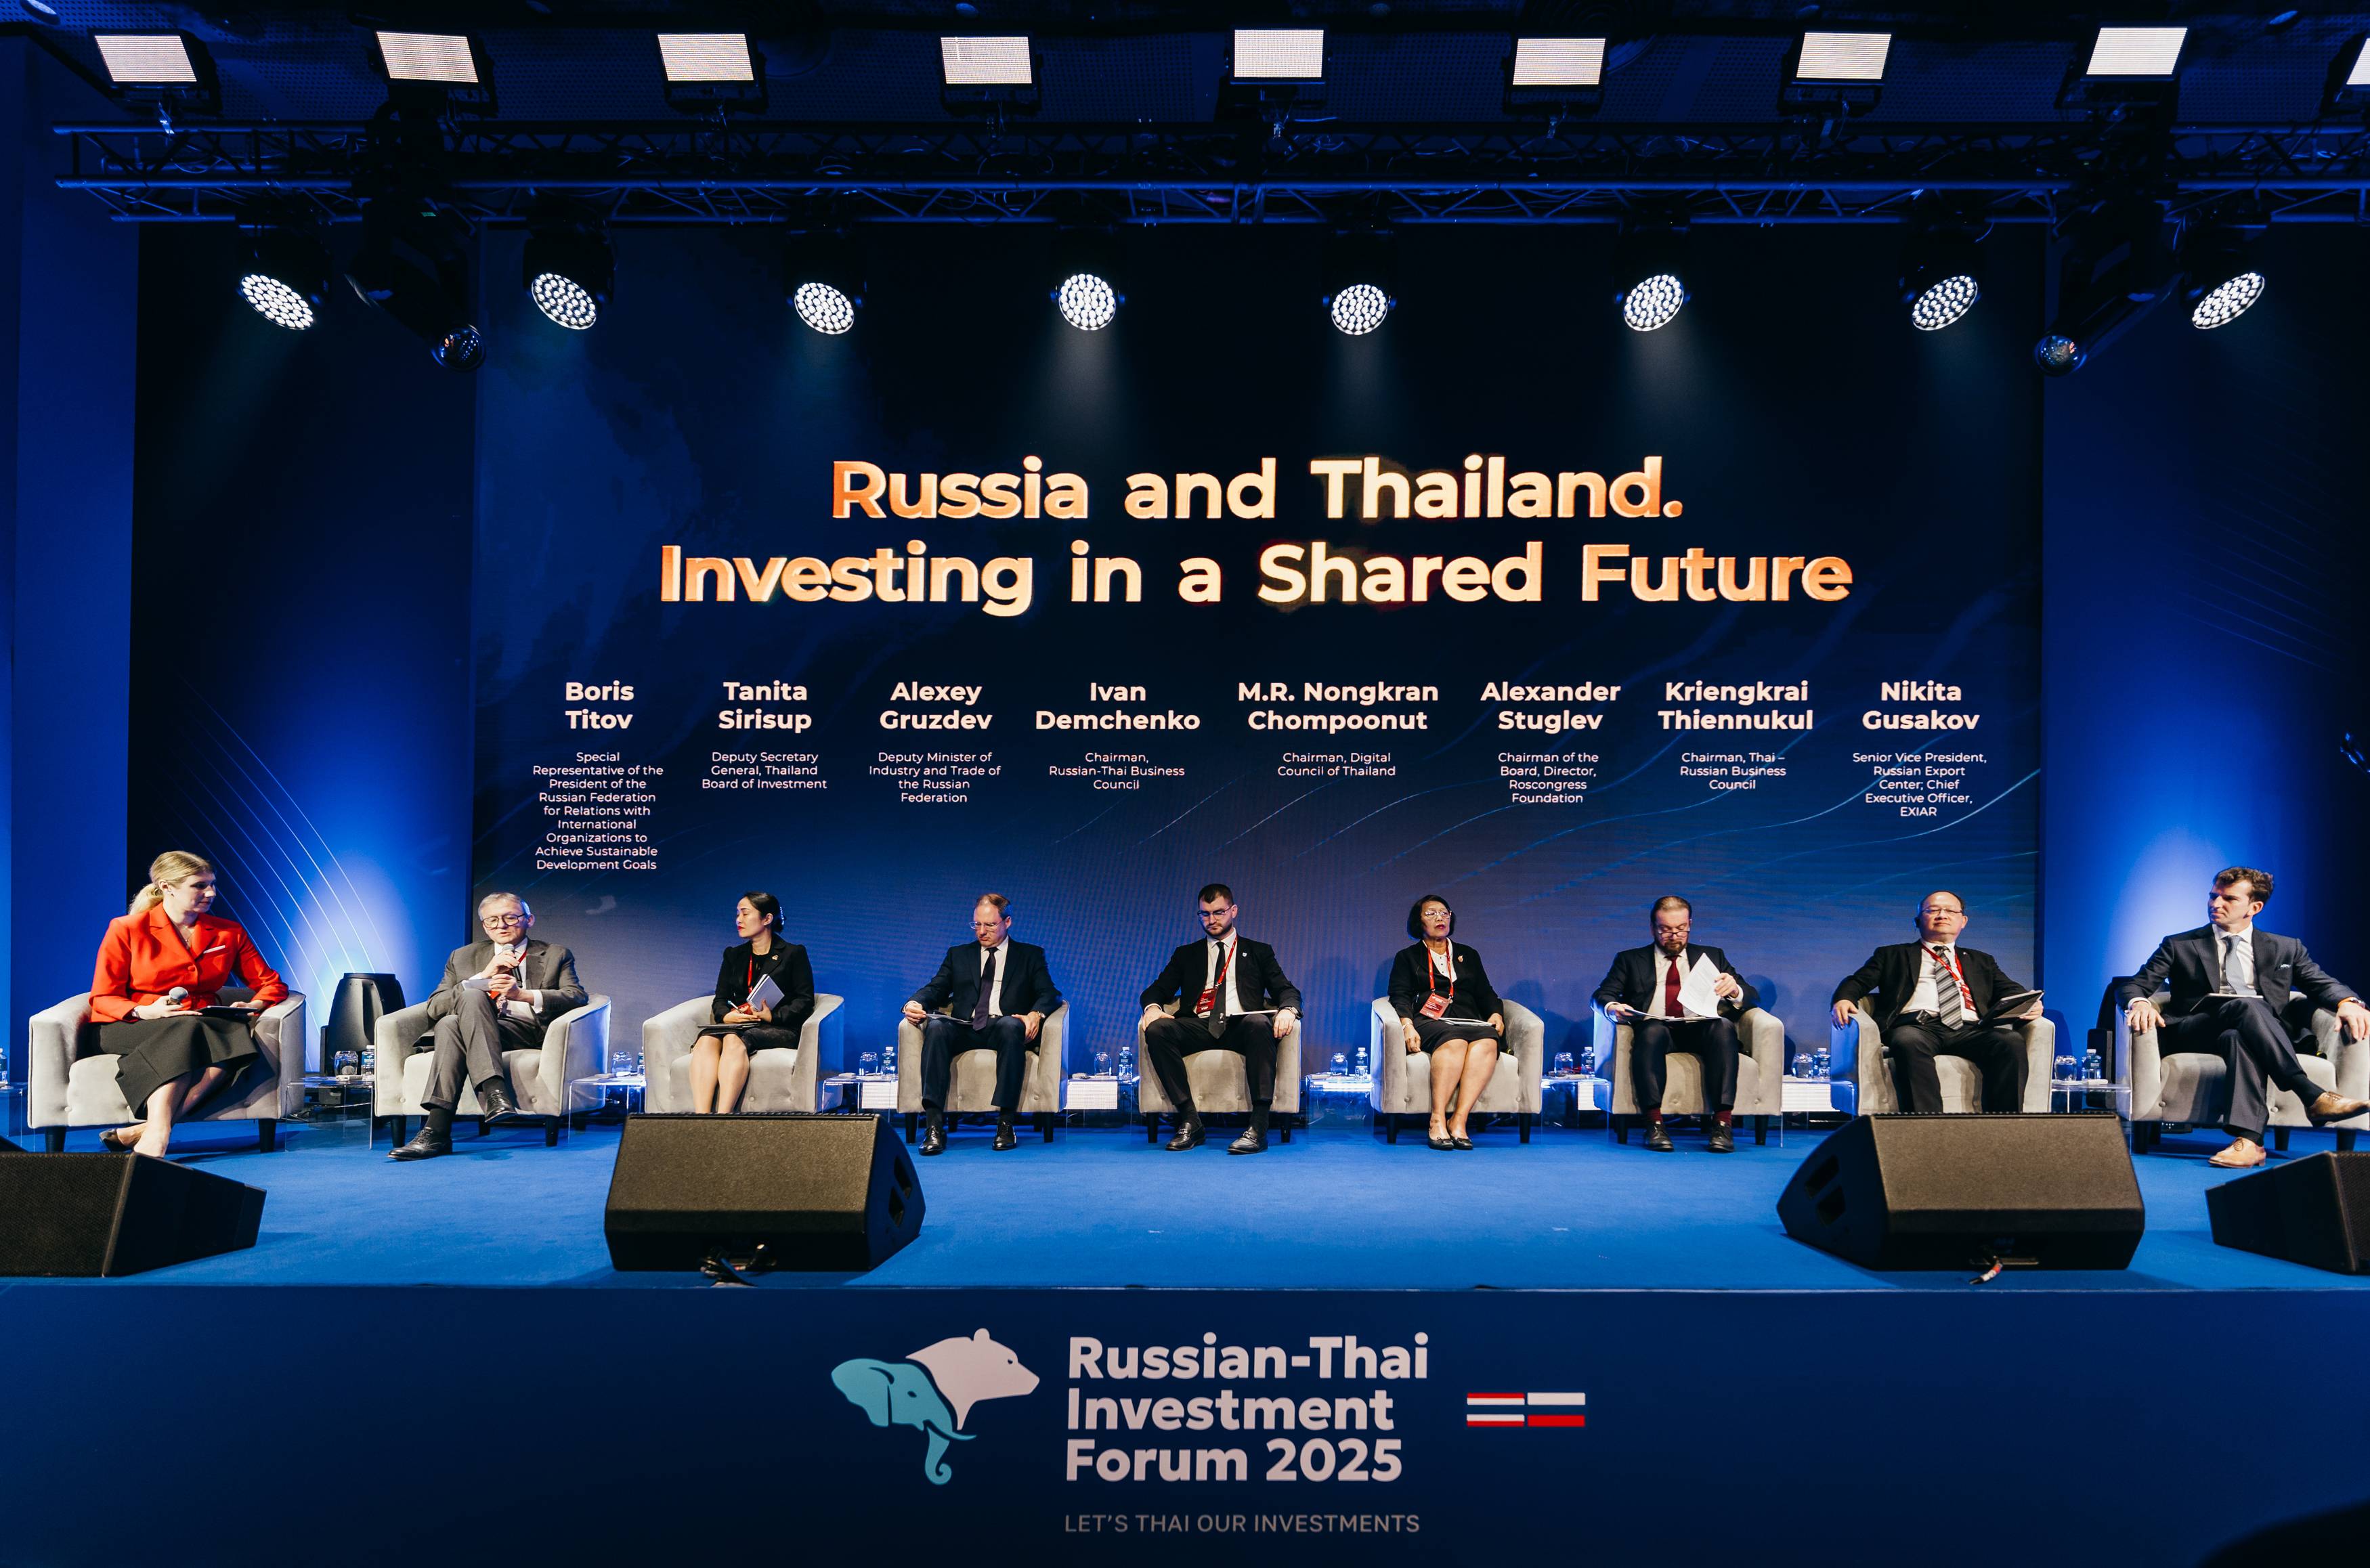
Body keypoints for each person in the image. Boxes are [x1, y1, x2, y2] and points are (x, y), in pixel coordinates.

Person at [2118, 866, 2370, 1169]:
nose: (2216, 904)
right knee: (2246, 1006)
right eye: (2213, 896)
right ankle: (2311, 1094)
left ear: (2255, 907)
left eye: (2229, 899)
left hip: (2258, 1033)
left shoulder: (2286, 948)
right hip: (2198, 1029)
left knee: (2239, 1036)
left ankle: (2248, 1142)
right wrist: (2140, 1001)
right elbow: (2133, 985)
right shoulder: (2179, 944)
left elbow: (2320, 983)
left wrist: (2348, 1002)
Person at [87, 851, 288, 1158]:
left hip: (198, 1023)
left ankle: (152, 1130)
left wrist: (256, 1004)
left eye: (212, 884)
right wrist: (146, 1010)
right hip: (132, 1023)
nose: (211, 893)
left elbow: (272, 983)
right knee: (199, 1034)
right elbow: (103, 996)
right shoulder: (127, 928)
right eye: (199, 886)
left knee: (227, 1036)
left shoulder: (228, 932)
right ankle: (157, 1132)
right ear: (166, 887)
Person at [389, 892, 588, 1161]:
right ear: (484, 926)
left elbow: (576, 996)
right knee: (452, 1018)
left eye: (510, 918)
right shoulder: (463, 956)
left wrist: (523, 995)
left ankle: (436, 1131)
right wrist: (483, 976)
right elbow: (435, 1006)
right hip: (472, 1027)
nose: (501, 925)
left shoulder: (555, 954)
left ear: (529, 920)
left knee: (451, 1024)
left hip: (524, 1031)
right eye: (492, 920)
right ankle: (494, 1094)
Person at [1830, 890, 2042, 1114]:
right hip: (1917, 1027)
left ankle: (2006, 1123)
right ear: (1918, 921)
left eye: (1950, 911)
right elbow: (1857, 982)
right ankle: (1928, 1124)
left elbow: (2009, 988)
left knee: (2009, 1041)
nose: (1942, 915)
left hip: (1970, 1030)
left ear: (1963, 921)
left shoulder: (1981, 960)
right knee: (1908, 1041)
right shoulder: (1892, 955)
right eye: (1933, 910)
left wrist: (2029, 1003)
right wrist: (1844, 998)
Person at [1138, 884, 1302, 1154]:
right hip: (1199, 1025)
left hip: (1240, 1025)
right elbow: (1156, 990)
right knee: (1157, 1030)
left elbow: (1286, 990)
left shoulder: (1259, 951)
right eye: (1205, 914)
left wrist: (1288, 1010)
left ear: (1233, 911)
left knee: (1259, 1023)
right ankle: (1190, 1121)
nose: (1211, 920)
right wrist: (1153, 1008)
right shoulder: (1186, 954)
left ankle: (1258, 1126)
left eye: (1219, 912)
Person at [1591, 894, 1757, 1153]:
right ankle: (1654, 1124)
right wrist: (1612, 1007)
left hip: (1700, 1028)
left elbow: (1752, 995)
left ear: (1690, 924)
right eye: (1666, 930)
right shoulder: (1630, 960)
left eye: (1681, 929)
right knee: (1651, 1031)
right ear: (1653, 928)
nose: (1674, 936)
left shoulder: (1712, 956)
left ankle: (1723, 1125)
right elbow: (1601, 995)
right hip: (1658, 1029)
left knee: (1723, 1027)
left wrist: (1735, 990)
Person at [901, 894, 1062, 1155]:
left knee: (1011, 1026)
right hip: (965, 1025)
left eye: (989, 925)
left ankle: (1006, 1123)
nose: (981, 931)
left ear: (1007, 922)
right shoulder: (959, 955)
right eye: (977, 924)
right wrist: (914, 1002)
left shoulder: (1029, 955)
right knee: (937, 1028)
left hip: (1002, 1026)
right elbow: (937, 987)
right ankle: (934, 1126)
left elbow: (1050, 993)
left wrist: (1036, 1015)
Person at [1387, 895, 1505, 1150]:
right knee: (1455, 1041)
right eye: (1431, 913)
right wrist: (1407, 1025)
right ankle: (1437, 1119)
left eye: (1444, 913)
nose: (1439, 918)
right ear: (1418, 922)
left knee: (1488, 1042)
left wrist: (1496, 1013)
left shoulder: (1468, 954)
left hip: (1468, 1018)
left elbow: (1486, 992)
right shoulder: (1408, 957)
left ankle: (1459, 1121)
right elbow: (1400, 995)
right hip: (1430, 1019)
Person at [690, 890, 815, 1114]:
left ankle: (723, 1117)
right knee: (706, 1040)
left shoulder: (793, 953)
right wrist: (726, 1015)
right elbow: (720, 999)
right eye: (737, 914)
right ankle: (701, 1118)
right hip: (739, 1024)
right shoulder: (733, 955)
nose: (738, 920)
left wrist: (773, 1016)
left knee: (732, 1039)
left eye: (745, 913)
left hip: (777, 1027)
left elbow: (805, 1000)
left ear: (767, 919)